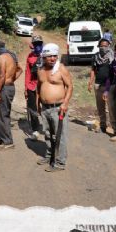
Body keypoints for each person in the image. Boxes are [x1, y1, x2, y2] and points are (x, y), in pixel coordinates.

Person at [36, 43, 73, 172]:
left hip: (58, 108)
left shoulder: (61, 69)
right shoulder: (40, 70)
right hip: (45, 107)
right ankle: (49, 155)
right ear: (44, 57)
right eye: (49, 56)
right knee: (47, 133)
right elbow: (38, 87)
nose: (52, 58)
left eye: (54, 56)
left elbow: (70, 86)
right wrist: (38, 103)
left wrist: (65, 103)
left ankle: (60, 162)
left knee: (60, 136)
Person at [0, 39, 23, 150]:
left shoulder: (1, 57)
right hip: (10, 87)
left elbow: (2, 76)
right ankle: (5, 138)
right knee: (4, 113)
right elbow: (20, 70)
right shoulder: (11, 56)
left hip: (5, 88)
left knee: (2, 115)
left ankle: (8, 142)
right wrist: (12, 80)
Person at [87, 38, 116, 136]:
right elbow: (93, 70)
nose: (103, 47)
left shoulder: (114, 56)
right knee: (100, 107)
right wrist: (90, 82)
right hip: (98, 85)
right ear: (98, 46)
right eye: (101, 46)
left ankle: (115, 129)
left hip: (110, 86)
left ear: (109, 46)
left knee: (112, 107)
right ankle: (103, 126)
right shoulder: (96, 57)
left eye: (105, 45)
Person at [25, 35, 44, 141]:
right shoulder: (30, 56)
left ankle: (47, 127)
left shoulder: (47, 56)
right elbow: (27, 73)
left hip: (44, 87)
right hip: (32, 86)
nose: (38, 46)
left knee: (45, 108)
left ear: (42, 44)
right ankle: (35, 129)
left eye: (39, 44)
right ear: (32, 45)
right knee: (32, 108)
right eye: (35, 44)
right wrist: (26, 88)